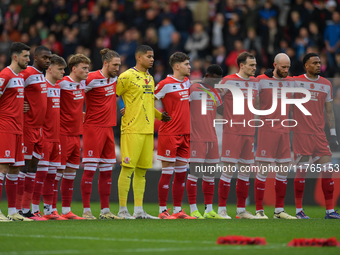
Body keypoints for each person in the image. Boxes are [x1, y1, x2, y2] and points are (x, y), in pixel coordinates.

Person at [116, 45, 168, 219]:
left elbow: (148, 104)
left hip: (147, 130)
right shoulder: (126, 76)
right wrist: (122, 107)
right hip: (132, 129)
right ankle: (123, 210)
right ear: (139, 57)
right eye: (149, 56)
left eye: (153, 56)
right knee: (128, 168)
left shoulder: (150, 78)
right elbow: (113, 95)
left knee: (141, 171)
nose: (152, 59)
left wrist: (162, 116)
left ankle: (138, 210)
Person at [292, 53, 340, 219]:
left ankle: (329, 211)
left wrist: (333, 134)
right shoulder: (296, 82)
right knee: (302, 172)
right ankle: (299, 211)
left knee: (328, 171)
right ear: (306, 65)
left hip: (320, 135)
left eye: (320, 62)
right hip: (302, 134)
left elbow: (329, 110)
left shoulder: (326, 84)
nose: (319, 65)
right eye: (315, 63)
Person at [81, 48, 122, 220]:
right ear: (105, 63)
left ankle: (105, 211)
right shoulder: (91, 78)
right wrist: (79, 113)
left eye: (119, 65)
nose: (117, 68)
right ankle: (86, 210)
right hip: (93, 128)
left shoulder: (116, 80)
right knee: (90, 171)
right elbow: (74, 94)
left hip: (109, 129)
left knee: (106, 171)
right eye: (114, 65)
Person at [254, 53, 296, 219]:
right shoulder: (261, 80)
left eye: (288, 67)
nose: (286, 70)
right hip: (267, 131)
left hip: (284, 131)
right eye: (283, 67)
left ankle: (279, 210)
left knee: (283, 171)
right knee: (263, 171)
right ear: (275, 65)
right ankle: (259, 211)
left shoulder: (291, 82)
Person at [218, 52, 259, 219]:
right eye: (251, 65)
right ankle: (221, 210)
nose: (254, 68)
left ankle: (241, 210)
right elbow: (215, 100)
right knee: (227, 170)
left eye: (255, 65)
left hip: (249, 133)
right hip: (232, 132)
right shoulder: (228, 81)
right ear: (241, 65)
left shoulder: (256, 83)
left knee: (245, 172)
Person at [156, 52, 196, 219]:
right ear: (177, 66)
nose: (190, 66)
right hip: (169, 134)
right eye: (187, 64)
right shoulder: (165, 84)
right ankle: (162, 211)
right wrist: (159, 116)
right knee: (167, 173)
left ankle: (177, 210)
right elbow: (147, 100)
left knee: (181, 174)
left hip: (185, 134)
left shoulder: (187, 83)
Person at [186, 64, 226, 219]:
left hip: (212, 138)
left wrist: (227, 95)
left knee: (210, 175)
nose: (216, 84)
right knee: (194, 174)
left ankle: (209, 210)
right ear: (208, 75)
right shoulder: (193, 89)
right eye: (215, 80)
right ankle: (193, 209)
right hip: (197, 138)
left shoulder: (216, 92)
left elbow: (223, 111)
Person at [0, 42, 32, 221]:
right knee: (2, 167)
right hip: (5, 129)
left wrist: (20, 107)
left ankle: (13, 212)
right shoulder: (5, 75)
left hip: (18, 129)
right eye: (26, 56)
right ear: (15, 57)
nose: (28, 59)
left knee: (14, 169)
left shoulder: (19, 77)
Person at [19, 45, 52, 220]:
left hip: (39, 129)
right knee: (23, 167)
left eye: (50, 58)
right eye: (45, 58)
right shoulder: (27, 73)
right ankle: (16, 209)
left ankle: (26, 209)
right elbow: (11, 89)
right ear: (36, 57)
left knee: (33, 167)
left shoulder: (41, 76)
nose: (48, 61)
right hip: (27, 127)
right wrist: (18, 105)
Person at [57, 54, 91, 220]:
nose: (87, 71)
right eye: (84, 68)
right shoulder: (61, 83)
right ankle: (48, 209)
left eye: (87, 68)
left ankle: (66, 210)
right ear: (74, 68)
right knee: (55, 173)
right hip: (62, 134)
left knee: (70, 173)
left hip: (76, 135)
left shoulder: (83, 84)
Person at [39, 54, 67, 220]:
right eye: (60, 69)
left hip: (56, 136)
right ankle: (33, 209)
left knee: (52, 175)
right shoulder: (42, 85)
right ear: (49, 69)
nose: (63, 72)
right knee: (40, 175)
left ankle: (49, 210)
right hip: (43, 136)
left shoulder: (57, 87)